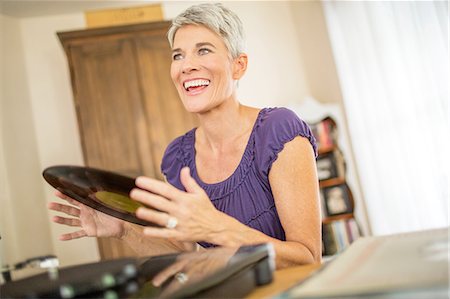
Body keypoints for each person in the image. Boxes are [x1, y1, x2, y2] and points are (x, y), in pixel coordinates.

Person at [48, 3, 321, 269]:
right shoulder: (177, 157)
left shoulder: (278, 130)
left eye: (203, 50)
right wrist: (123, 229)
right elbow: (183, 257)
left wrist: (219, 228)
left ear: (238, 65)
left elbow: (308, 257)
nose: (186, 66)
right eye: (178, 55)